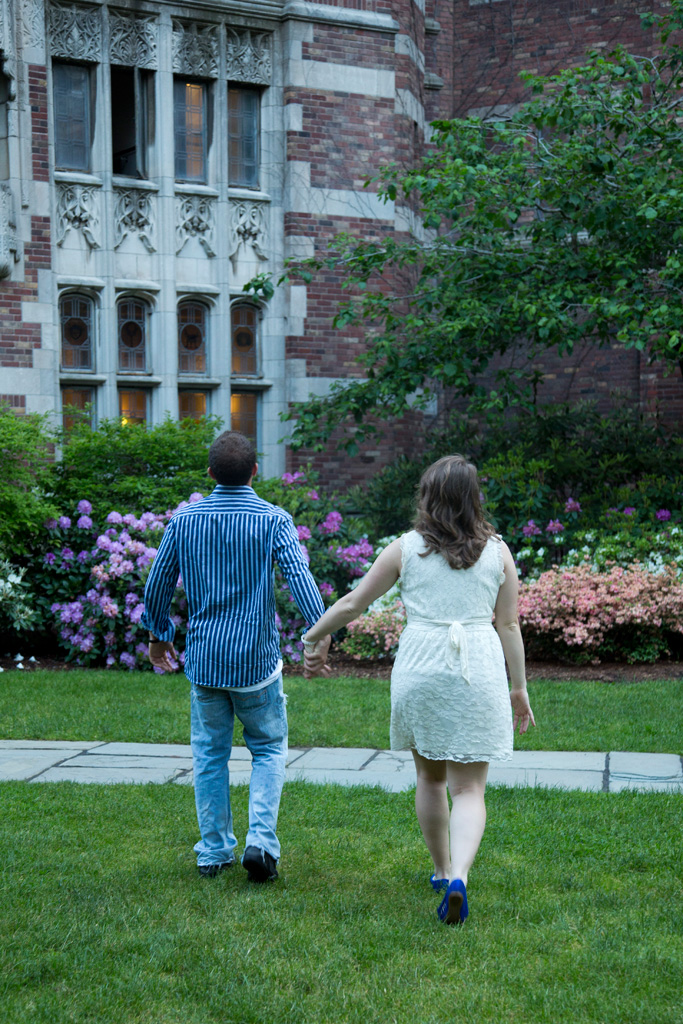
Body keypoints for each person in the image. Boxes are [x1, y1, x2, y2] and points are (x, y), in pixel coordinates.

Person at [302, 454, 534, 924]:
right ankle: (460, 877)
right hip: (477, 668)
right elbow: (508, 625)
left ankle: (441, 870)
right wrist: (519, 687)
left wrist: (313, 637)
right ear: (474, 499)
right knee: (469, 788)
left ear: (427, 498)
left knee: (430, 779)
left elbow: (353, 604)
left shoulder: (405, 549)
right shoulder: (498, 552)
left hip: (421, 667)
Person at [142, 431, 325, 882]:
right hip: (256, 662)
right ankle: (260, 843)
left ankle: (213, 851)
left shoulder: (185, 521)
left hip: (205, 660)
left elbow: (157, 582)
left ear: (210, 473)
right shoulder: (273, 519)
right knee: (268, 748)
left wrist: (158, 636)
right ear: (255, 472)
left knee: (209, 754)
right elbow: (299, 577)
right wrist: (318, 632)